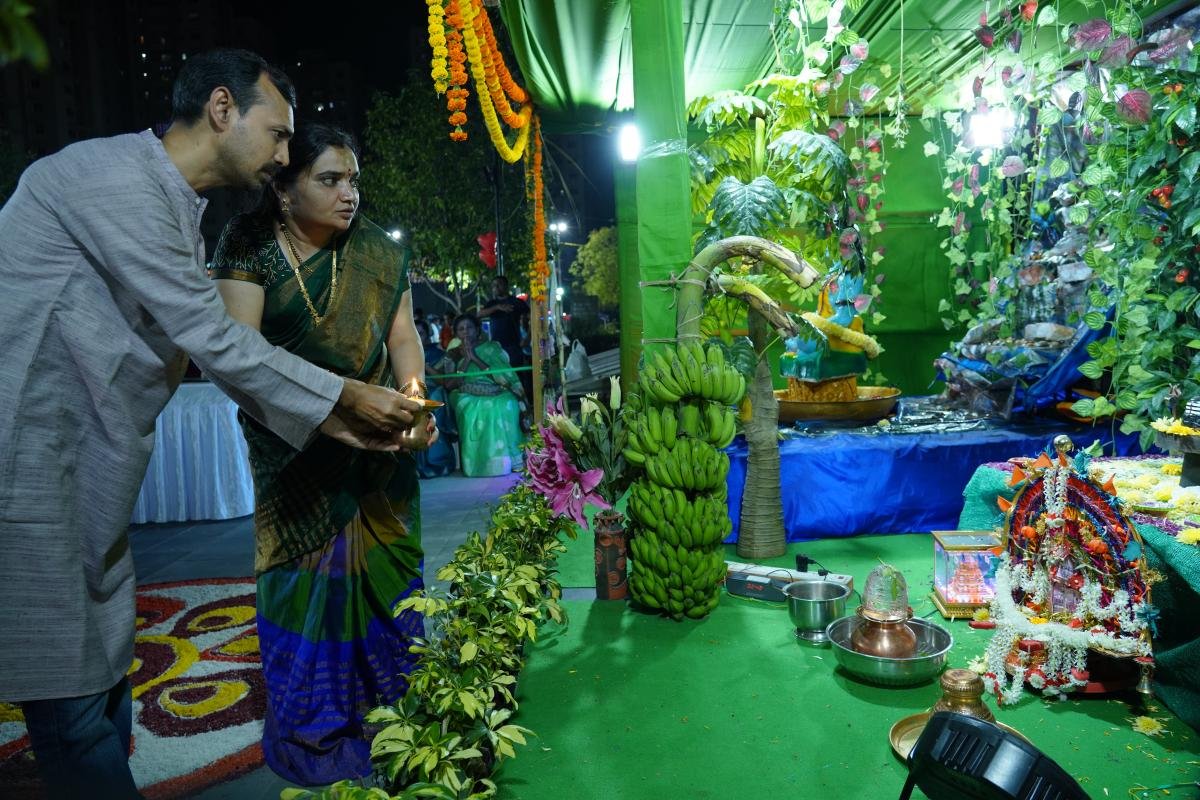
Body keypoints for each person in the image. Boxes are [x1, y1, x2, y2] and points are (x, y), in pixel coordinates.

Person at [0, 50, 423, 800]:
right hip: (28, 462)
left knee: (102, 673)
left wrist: (345, 420)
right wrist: (344, 400)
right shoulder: (111, 181)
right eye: (279, 134)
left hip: (88, 462)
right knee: (71, 703)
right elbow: (218, 341)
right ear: (223, 109)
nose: (285, 156)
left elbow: (216, 354)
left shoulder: (175, 208)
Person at [209, 123, 435, 784]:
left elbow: (403, 337)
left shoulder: (377, 251)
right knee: (303, 585)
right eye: (330, 179)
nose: (349, 194)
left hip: (381, 449)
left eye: (354, 180)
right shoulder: (247, 242)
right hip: (292, 448)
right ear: (284, 190)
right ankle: (316, 727)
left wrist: (414, 402)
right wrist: (335, 413)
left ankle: (395, 711)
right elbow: (241, 356)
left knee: (389, 580)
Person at [439, 314, 527, 476]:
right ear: (456, 333)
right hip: (466, 392)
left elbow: (502, 375)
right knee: (474, 409)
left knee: (506, 404)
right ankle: (483, 464)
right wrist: (466, 360)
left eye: (469, 327)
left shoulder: (492, 348)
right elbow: (450, 385)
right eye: (461, 329)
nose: (466, 331)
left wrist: (475, 357)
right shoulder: (452, 354)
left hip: (496, 388)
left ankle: (514, 459)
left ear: (478, 330)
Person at [415, 318, 458, 478]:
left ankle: (439, 463)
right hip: (413, 391)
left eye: (421, 333)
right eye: (415, 333)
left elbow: (445, 381)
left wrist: (425, 366)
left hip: (434, 390)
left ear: (428, 335)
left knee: (434, 398)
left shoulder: (438, 354)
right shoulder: (404, 353)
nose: (418, 336)